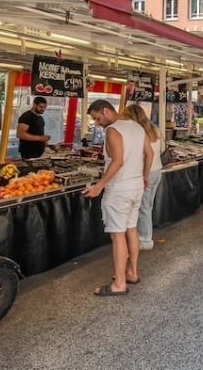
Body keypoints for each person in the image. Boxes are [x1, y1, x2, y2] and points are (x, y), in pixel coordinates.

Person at [83, 99, 153, 297]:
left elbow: (118, 161)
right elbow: (150, 153)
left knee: (117, 235)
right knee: (131, 229)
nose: (97, 123)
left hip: (120, 189)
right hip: (136, 186)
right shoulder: (138, 127)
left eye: (97, 118)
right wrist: (144, 175)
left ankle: (120, 283)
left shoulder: (113, 130)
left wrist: (99, 185)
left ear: (106, 110)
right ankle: (132, 272)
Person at [121, 103, 163, 251]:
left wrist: (143, 174)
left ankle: (145, 240)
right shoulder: (154, 128)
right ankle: (143, 236)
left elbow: (144, 154)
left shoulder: (138, 131)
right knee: (147, 206)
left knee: (143, 208)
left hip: (146, 172)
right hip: (157, 171)